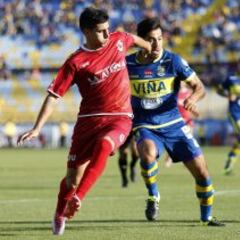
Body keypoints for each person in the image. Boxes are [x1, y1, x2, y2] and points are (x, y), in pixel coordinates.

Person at [17, 7, 151, 235]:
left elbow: (133, 38)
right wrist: (37, 128)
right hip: (88, 122)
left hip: (120, 117)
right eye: (101, 31)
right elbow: (53, 95)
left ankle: (78, 198)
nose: (107, 35)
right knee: (71, 180)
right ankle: (60, 213)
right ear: (86, 31)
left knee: (105, 144)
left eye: (108, 29)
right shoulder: (76, 62)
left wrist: (149, 48)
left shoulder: (117, 40)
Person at [126, 17, 224, 226]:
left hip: (174, 124)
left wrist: (192, 99)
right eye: (151, 40)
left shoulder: (173, 61)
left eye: (160, 39)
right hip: (146, 125)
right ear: (140, 41)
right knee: (148, 153)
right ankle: (154, 196)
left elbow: (200, 87)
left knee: (202, 171)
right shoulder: (128, 65)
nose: (157, 44)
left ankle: (206, 218)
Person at [164, 82, 195, 167]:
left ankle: (189, 160)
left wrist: (194, 112)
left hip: (188, 120)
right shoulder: (174, 93)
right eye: (179, 81)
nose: (181, 83)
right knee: (173, 141)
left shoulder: (189, 93)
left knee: (188, 141)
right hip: (176, 120)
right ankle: (169, 159)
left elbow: (192, 106)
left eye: (182, 81)